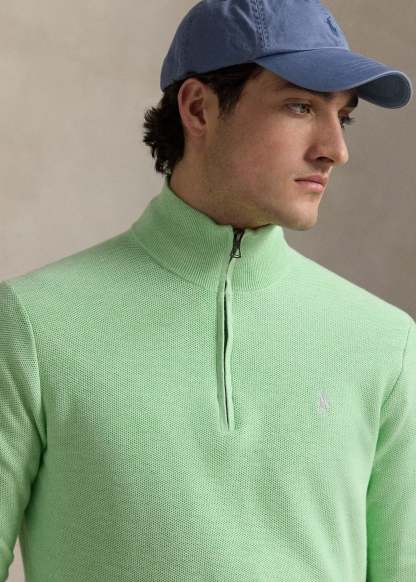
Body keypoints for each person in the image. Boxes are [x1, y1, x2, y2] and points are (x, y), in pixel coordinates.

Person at [0, 1, 415, 581]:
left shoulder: (386, 343)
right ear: (198, 107)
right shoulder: (32, 323)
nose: (334, 149)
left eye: (342, 117)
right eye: (300, 106)